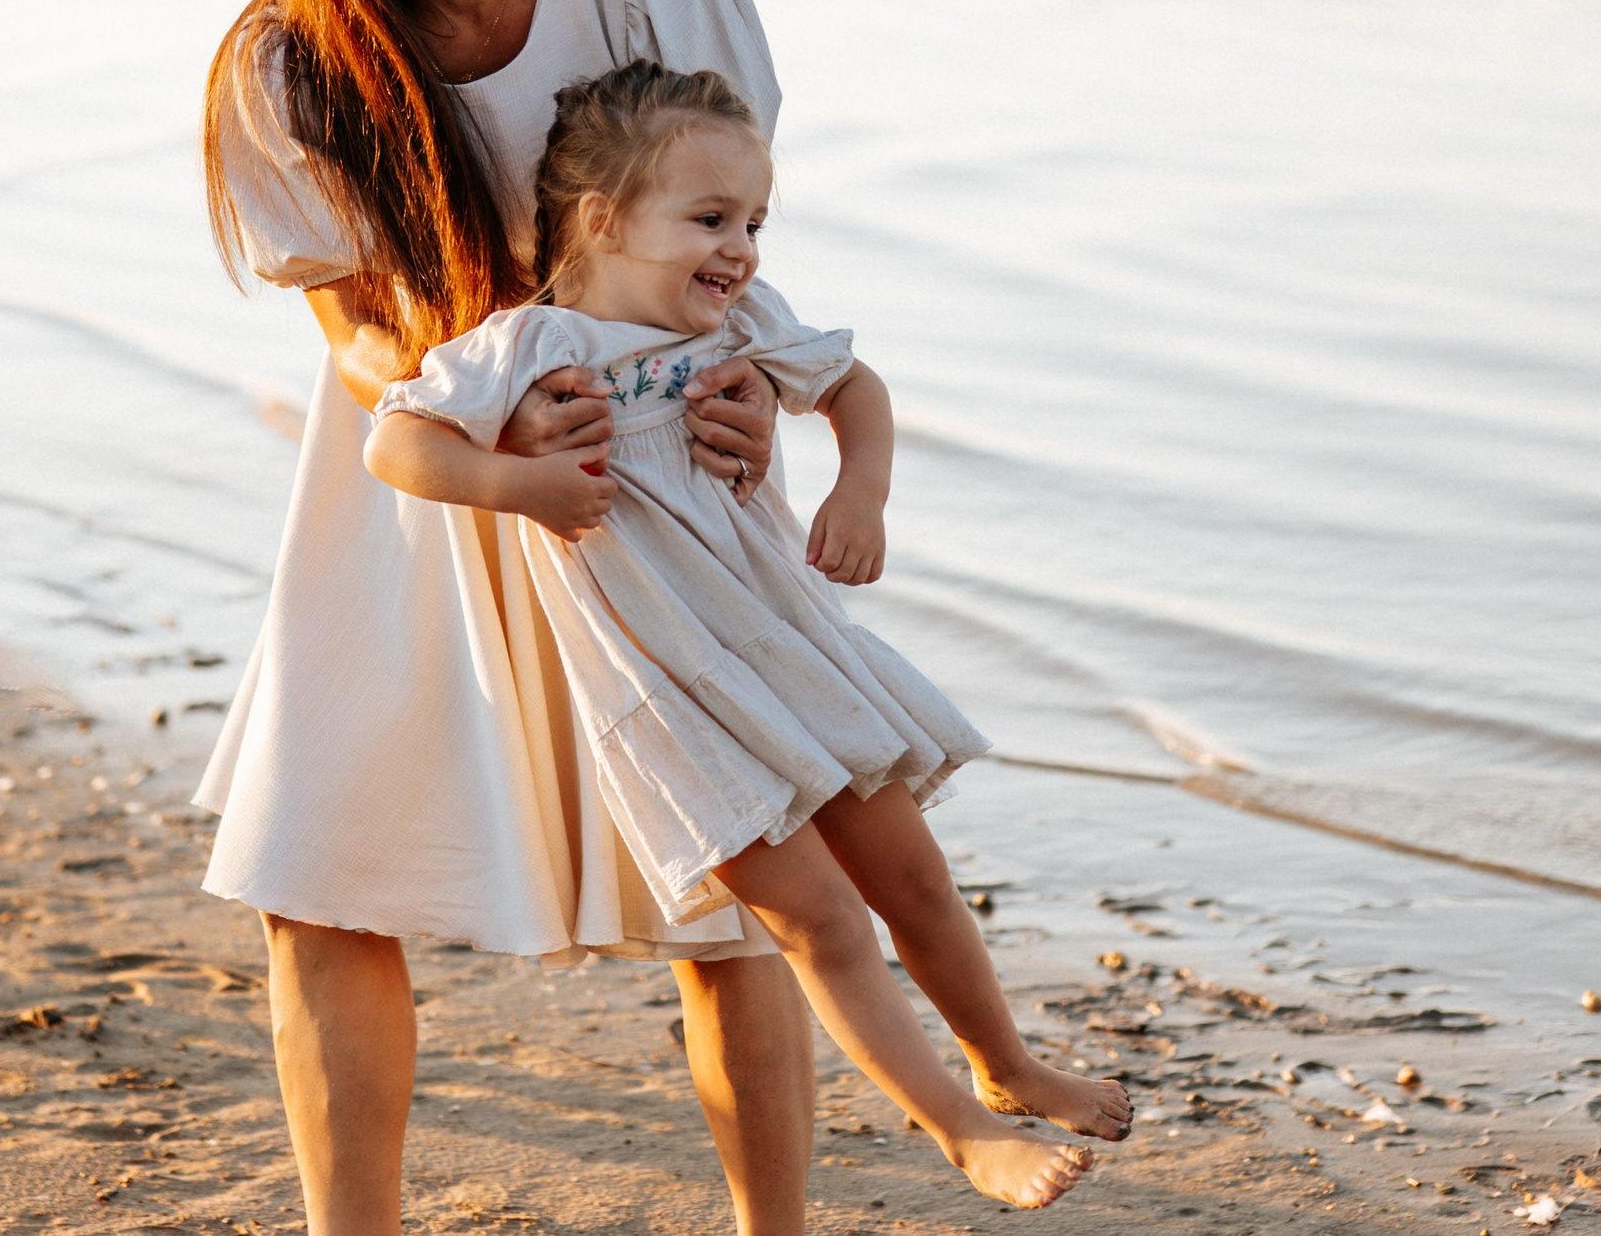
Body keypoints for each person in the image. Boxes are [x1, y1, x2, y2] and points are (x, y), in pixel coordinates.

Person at [191, 0, 815, 1234]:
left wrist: (747, 379)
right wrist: (478, 397)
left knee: (736, 897)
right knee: (319, 883)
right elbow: (345, 319)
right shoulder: (293, 56)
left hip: (644, 461)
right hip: (418, 466)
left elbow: (717, 222)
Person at [364, 63, 1134, 1207]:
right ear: (604, 220)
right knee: (818, 921)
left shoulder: (743, 323)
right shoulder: (530, 347)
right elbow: (396, 443)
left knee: (913, 872)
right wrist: (512, 483)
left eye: (756, 221)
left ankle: (1007, 1064)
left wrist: (859, 490)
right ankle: (962, 1128)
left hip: (787, 647)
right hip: (667, 692)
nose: (744, 249)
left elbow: (855, 387)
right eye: (712, 219)